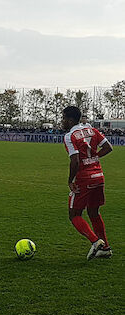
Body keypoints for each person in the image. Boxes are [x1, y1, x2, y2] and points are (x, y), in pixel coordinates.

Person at [62, 106, 113, 259]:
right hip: (98, 176)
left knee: (74, 215)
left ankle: (96, 241)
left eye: (63, 118)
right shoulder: (92, 130)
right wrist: (94, 158)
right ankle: (105, 248)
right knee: (94, 212)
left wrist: (70, 180)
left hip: (84, 179)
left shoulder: (70, 136)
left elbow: (75, 161)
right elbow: (108, 147)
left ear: (70, 120)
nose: (62, 121)